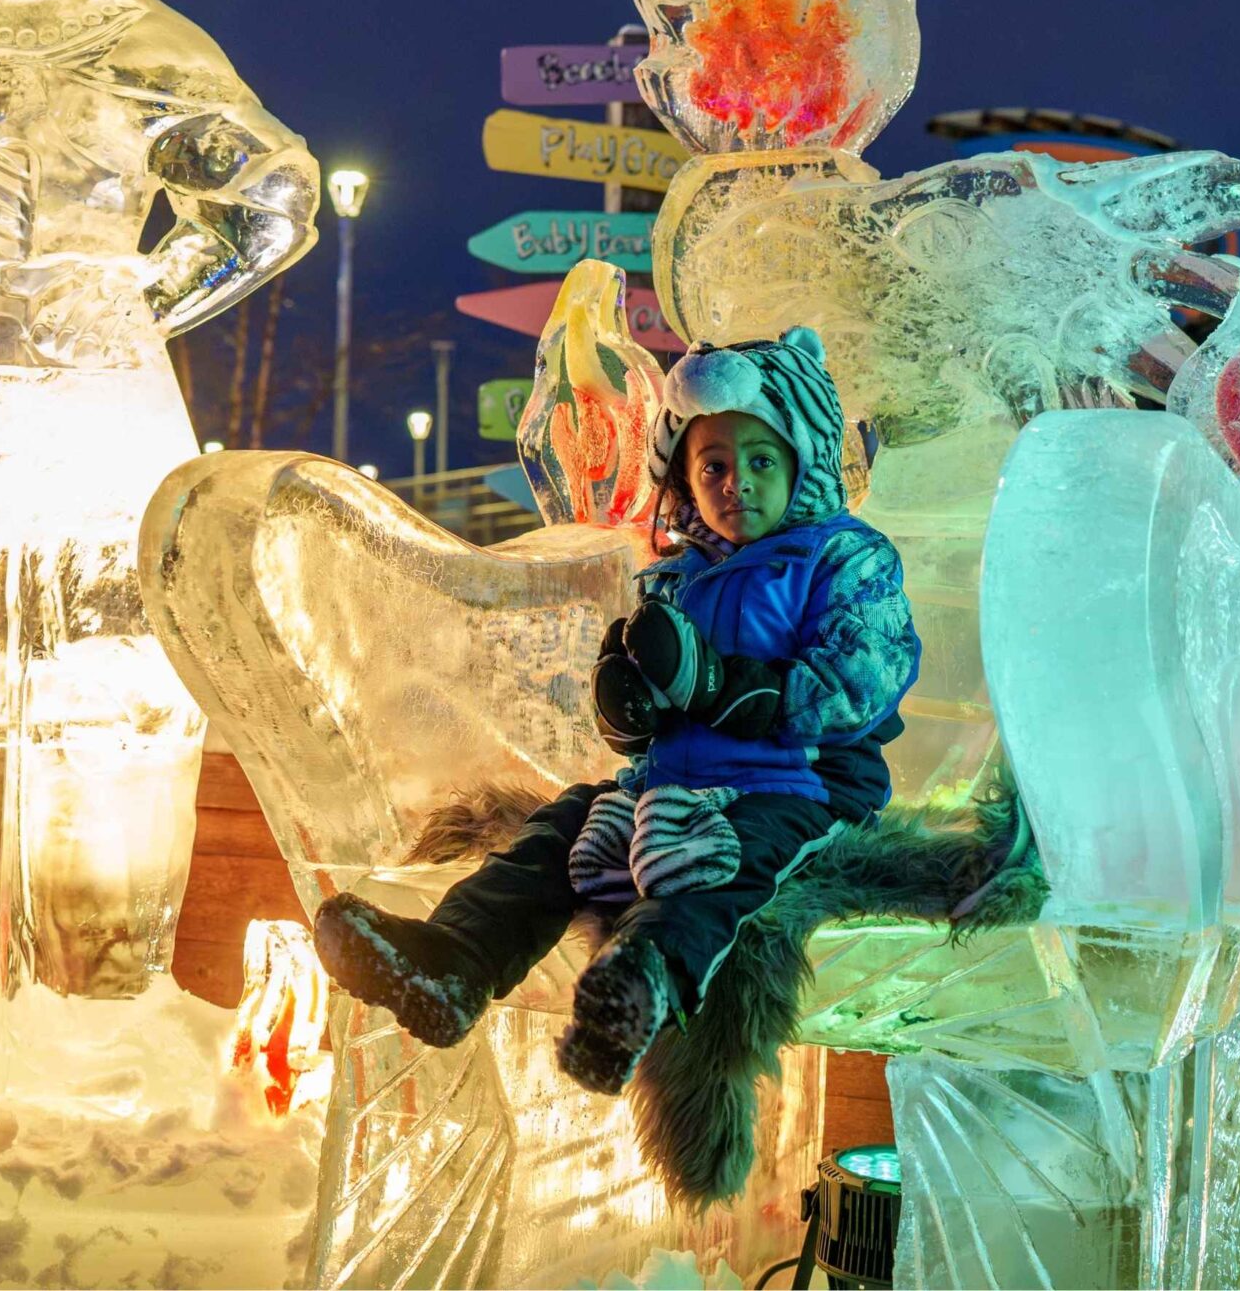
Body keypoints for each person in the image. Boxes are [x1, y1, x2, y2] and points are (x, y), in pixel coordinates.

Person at [314, 326, 918, 1095]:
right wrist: (628, 708)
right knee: (567, 826)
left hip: (804, 785)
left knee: (724, 860)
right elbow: (648, 721)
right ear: (684, 476)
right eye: (714, 466)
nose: (738, 483)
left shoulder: (845, 558)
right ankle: (454, 962)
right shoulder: (676, 578)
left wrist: (723, 686)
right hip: (682, 779)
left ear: (800, 462)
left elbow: (862, 678)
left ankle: (638, 993)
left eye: (761, 461)